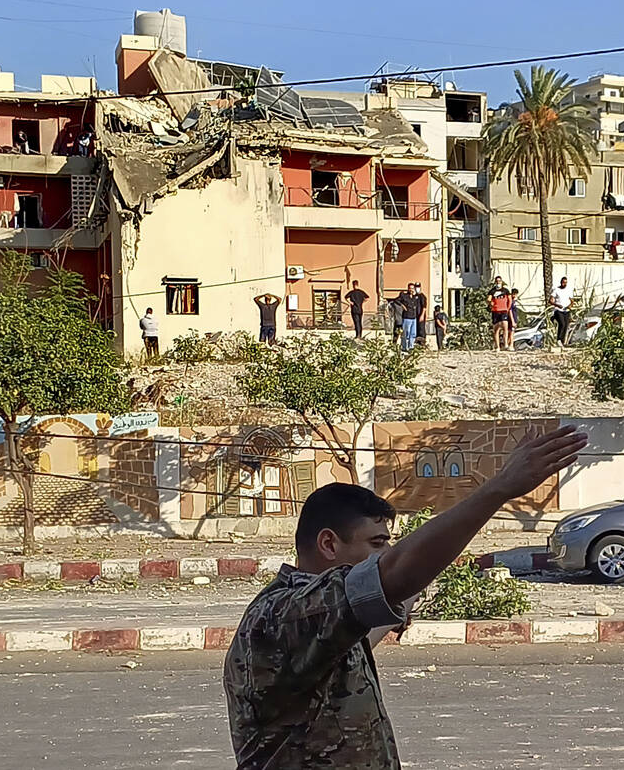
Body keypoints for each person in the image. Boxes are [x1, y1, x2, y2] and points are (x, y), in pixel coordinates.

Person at [223, 426, 588, 768]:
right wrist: (498, 490)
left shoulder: (320, 619)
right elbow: (392, 575)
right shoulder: (282, 615)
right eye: (377, 543)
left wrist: (408, 592)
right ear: (329, 544)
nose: (385, 553)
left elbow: (366, 631)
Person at [487, 276, 512, 351]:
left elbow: (510, 300)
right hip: (495, 311)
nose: (498, 282)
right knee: (496, 329)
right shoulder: (492, 291)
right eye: (497, 281)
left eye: (499, 281)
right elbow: (488, 299)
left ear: (502, 282)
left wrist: (507, 308)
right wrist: (490, 303)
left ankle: (506, 344)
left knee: (505, 327)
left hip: (503, 311)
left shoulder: (506, 291)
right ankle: (497, 347)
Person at [551, 276, 573, 348]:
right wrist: (557, 305)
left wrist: (570, 305)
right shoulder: (556, 290)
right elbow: (550, 301)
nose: (564, 284)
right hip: (558, 310)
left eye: (566, 283)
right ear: (561, 282)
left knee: (566, 325)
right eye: (563, 282)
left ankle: (562, 341)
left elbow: (572, 300)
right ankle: (559, 339)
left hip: (566, 310)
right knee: (562, 324)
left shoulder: (568, 290)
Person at [399, 284, 419, 352]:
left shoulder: (415, 297)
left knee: (413, 333)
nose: (411, 290)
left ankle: (411, 346)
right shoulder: (404, 296)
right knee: (406, 333)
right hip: (407, 317)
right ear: (408, 288)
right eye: (410, 288)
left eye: (412, 288)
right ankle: (404, 347)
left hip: (413, 317)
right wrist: (402, 306)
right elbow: (397, 300)